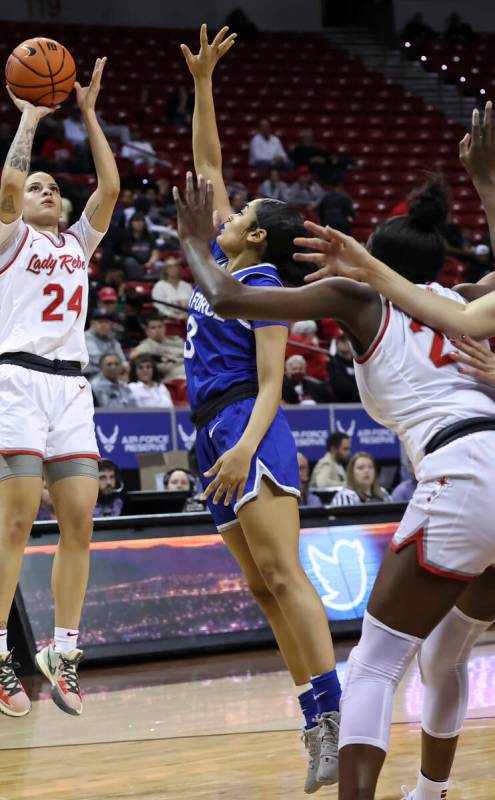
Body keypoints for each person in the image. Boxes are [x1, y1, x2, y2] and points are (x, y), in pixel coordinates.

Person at [173, 163, 495, 800]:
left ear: (375, 262)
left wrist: (189, 239)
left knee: (375, 663)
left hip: (460, 472)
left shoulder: (363, 300)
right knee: (444, 654)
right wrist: (486, 186)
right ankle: (431, 793)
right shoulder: (470, 298)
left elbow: (233, 299)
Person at [180, 27, 342, 792]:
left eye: (241, 211)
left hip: (248, 422)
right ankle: (315, 718)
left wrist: (245, 445)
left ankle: (337, 716)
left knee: (283, 572)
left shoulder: (267, 281)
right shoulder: (221, 266)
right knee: (258, 586)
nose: (228, 210)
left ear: (258, 235)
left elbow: (274, 379)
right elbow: (207, 166)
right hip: (208, 430)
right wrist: (204, 83)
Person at [0, 57, 119, 718]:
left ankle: (62, 649)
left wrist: (86, 113)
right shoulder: (9, 240)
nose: (47, 190)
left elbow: (109, 189)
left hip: (70, 391)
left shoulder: (76, 244)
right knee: (20, 517)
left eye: (53, 186)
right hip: (18, 383)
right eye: (39, 187)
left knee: (80, 521)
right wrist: (30, 116)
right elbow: (6, 187)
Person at [129, 314, 186, 381]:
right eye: (153, 328)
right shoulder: (147, 345)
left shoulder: (176, 339)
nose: (157, 330)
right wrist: (158, 358)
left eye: (160, 327)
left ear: (164, 328)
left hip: (188, 365)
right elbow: (132, 357)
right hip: (174, 374)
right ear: (147, 332)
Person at [83, 310, 127, 378]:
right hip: (90, 377)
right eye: (100, 322)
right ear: (92, 323)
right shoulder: (86, 337)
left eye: (107, 322)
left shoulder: (112, 339)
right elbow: (99, 360)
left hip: (110, 376)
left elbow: (123, 362)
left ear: (111, 324)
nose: (104, 324)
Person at [328, 330, 359, 402]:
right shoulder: (332, 363)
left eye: (348, 340)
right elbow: (339, 386)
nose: (346, 343)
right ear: (336, 343)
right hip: (342, 404)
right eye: (342, 341)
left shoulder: (357, 362)